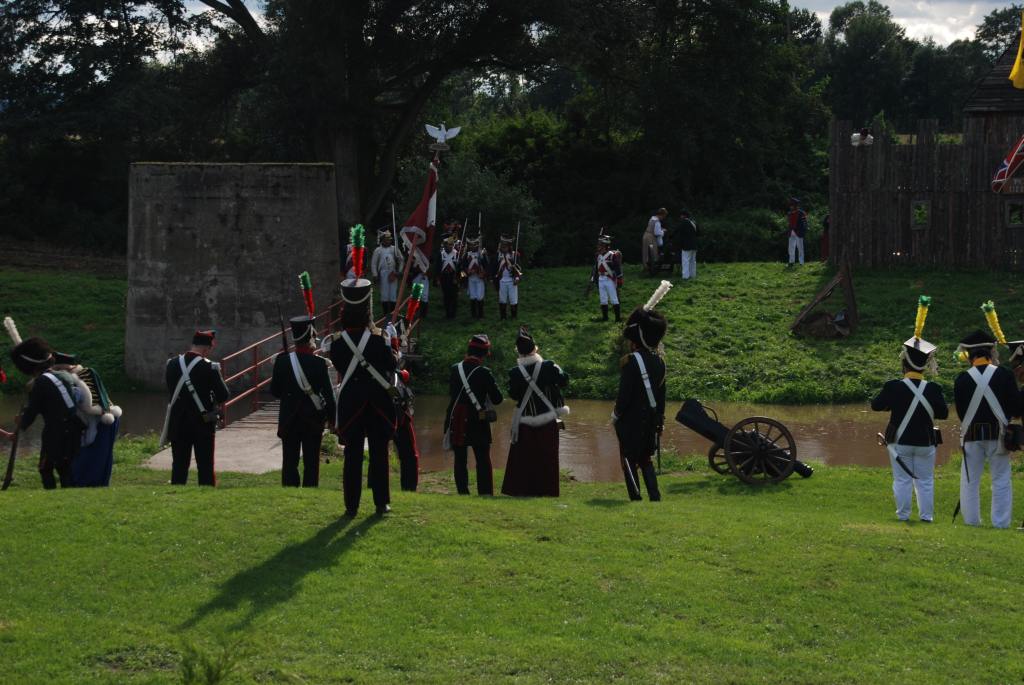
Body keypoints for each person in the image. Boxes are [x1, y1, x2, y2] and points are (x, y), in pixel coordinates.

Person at [871, 302, 948, 523]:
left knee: (902, 480)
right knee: (925, 481)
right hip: (925, 441)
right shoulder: (934, 389)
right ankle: (927, 517)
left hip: (900, 441)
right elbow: (942, 413)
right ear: (925, 365)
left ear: (904, 362)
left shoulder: (893, 387)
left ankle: (903, 516)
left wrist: (892, 404)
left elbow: (876, 405)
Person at [328, 275, 397, 516]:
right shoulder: (380, 340)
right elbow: (391, 365)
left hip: (351, 402)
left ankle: (351, 506)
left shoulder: (336, 343)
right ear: (368, 309)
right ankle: (381, 502)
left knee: (352, 455)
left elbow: (339, 366)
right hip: (376, 401)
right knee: (379, 454)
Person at [954, 330, 1020, 528]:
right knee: (1000, 479)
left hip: (971, 434)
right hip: (998, 434)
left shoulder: (962, 379)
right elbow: (1015, 407)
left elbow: (961, 411)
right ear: (991, 352)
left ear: (970, 355)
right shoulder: (1004, 375)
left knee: (969, 481)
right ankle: (1000, 523)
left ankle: (971, 521)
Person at [612, 282, 671, 501]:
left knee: (628, 458)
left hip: (631, 420)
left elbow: (624, 395)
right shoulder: (661, 362)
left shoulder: (630, 362)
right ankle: (654, 497)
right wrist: (660, 422)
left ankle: (635, 497)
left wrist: (616, 415)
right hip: (652, 420)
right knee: (645, 459)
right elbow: (661, 396)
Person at [501, 328, 569, 497]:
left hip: (525, 420)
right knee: (548, 458)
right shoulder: (549, 366)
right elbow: (564, 381)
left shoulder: (515, 372)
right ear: (534, 349)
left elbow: (514, 395)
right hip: (548, 420)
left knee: (524, 459)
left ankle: (523, 490)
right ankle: (547, 491)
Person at [10, 337, 85, 489]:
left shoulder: (41, 383)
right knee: (64, 466)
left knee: (45, 468)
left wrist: (21, 422)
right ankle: (68, 495)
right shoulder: (64, 375)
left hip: (55, 431)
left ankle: (52, 494)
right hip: (74, 428)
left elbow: (32, 411)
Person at [271, 315, 336, 488]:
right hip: (313, 420)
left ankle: (289, 491)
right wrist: (333, 420)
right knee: (311, 463)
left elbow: (274, 392)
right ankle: (310, 492)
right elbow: (329, 397)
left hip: (288, 420)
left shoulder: (282, 361)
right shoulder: (319, 364)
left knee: (289, 462)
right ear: (311, 337)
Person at [163, 330, 231, 486]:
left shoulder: (172, 364)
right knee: (205, 465)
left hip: (178, 421)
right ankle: (205, 495)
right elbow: (223, 395)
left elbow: (171, 390)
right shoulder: (210, 367)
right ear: (207, 348)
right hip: (202, 422)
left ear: (193, 344)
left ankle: (177, 492)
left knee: (179, 465)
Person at [443, 334, 503, 495]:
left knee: (460, 459)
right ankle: (485, 493)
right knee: (483, 458)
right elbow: (498, 399)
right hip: (477, 417)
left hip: (456, 417)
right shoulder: (485, 372)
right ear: (484, 354)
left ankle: (462, 492)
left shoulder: (455, 369)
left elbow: (452, 393)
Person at [393, 364, 420, 491]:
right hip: (400, 418)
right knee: (409, 454)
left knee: (378, 453)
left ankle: (373, 485)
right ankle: (409, 487)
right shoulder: (396, 374)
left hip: (379, 415)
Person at [370, 229, 404, 316]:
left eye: (389, 239)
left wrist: (399, 271)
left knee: (393, 294)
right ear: (382, 240)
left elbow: (401, 260)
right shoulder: (378, 250)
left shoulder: (394, 249)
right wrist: (375, 274)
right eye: (386, 239)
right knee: (384, 294)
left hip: (393, 273)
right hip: (383, 273)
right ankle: (385, 314)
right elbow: (373, 263)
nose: (388, 241)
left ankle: (393, 313)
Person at [591, 235, 623, 322]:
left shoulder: (612, 256)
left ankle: (618, 318)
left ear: (605, 246)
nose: (598, 247)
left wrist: (619, 278)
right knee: (603, 299)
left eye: (600, 245)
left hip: (610, 279)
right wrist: (595, 278)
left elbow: (617, 268)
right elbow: (596, 268)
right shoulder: (598, 256)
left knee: (614, 299)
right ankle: (605, 317)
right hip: (601, 279)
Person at [493, 234, 522, 320]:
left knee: (513, 300)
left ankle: (514, 316)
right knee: (502, 300)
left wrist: (517, 278)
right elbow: (494, 267)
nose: (504, 248)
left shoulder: (514, 255)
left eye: (505, 246)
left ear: (509, 246)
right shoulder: (498, 256)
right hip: (502, 281)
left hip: (512, 280)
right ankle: (503, 317)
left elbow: (519, 268)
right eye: (502, 246)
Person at [462, 235, 489, 320]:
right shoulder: (466, 254)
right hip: (470, 278)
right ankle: (473, 315)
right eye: (471, 245)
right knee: (472, 296)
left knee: (480, 296)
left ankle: (480, 315)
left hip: (479, 278)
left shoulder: (481, 254)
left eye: (474, 245)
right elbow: (462, 268)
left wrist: (483, 274)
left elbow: (487, 266)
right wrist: (466, 272)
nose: (473, 246)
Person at [437, 232, 461, 319]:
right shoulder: (441, 254)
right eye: (448, 245)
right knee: (446, 296)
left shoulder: (457, 254)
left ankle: (453, 315)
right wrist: (438, 278)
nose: (450, 246)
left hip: (453, 278)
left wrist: (459, 278)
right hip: (444, 277)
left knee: (454, 297)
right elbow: (438, 267)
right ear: (445, 245)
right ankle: (447, 314)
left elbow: (461, 269)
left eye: (451, 245)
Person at [642, 208, 667, 273]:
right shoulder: (657, 221)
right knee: (652, 253)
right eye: (664, 216)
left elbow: (653, 228)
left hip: (646, 235)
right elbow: (657, 233)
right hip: (651, 237)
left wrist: (660, 229)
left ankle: (646, 267)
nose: (663, 218)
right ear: (661, 215)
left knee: (646, 252)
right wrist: (663, 231)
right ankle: (651, 269)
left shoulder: (652, 219)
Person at [786, 197, 807, 266]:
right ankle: (791, 261)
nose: (791, 207)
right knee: (791, 248)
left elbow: (805, 223)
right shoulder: (789, 213)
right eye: (790, 205)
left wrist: (803, 230)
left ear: (796, 205)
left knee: (800, 247)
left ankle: (801, 262)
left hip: (799, 232)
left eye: (792, 205)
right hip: (791, 232)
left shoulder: (801, 213)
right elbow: (789, 223)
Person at [678, 209, 698, 281]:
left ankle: (685, 276)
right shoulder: (693, 222)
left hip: (686, 245)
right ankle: (693, 275)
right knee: (693, 260)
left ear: (683, 216)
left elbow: (678, 233)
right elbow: (698, 233)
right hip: (694, 244)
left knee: (685, 260)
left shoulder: (683, 223)